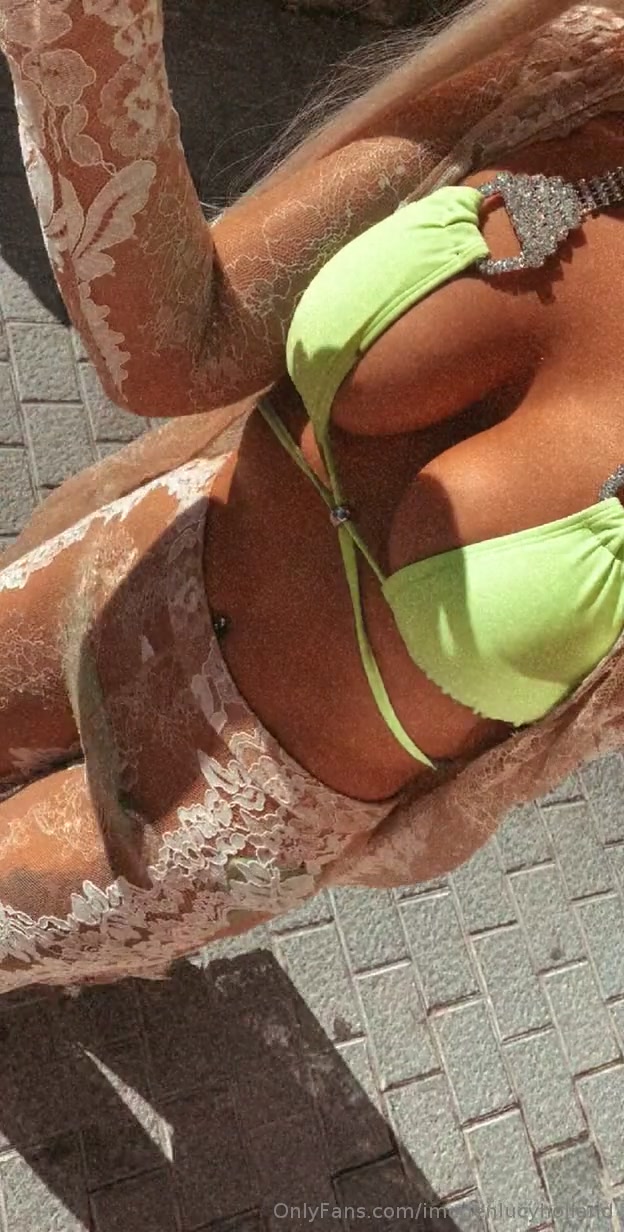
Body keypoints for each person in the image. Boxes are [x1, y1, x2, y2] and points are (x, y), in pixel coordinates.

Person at [0, 0, 623, 991]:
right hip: (136, 566)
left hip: (210, 822)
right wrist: (80, 25)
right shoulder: (576, 81)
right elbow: (187, 340)